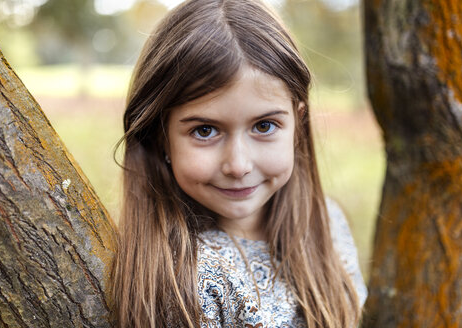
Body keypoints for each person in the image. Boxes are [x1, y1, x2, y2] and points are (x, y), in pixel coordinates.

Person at [111, 0, 367, 327]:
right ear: (161, 137)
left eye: (264, 126)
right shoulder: (184, 279)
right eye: (205, 131)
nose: (238, 165)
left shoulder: (328, 223)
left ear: (297, 124)